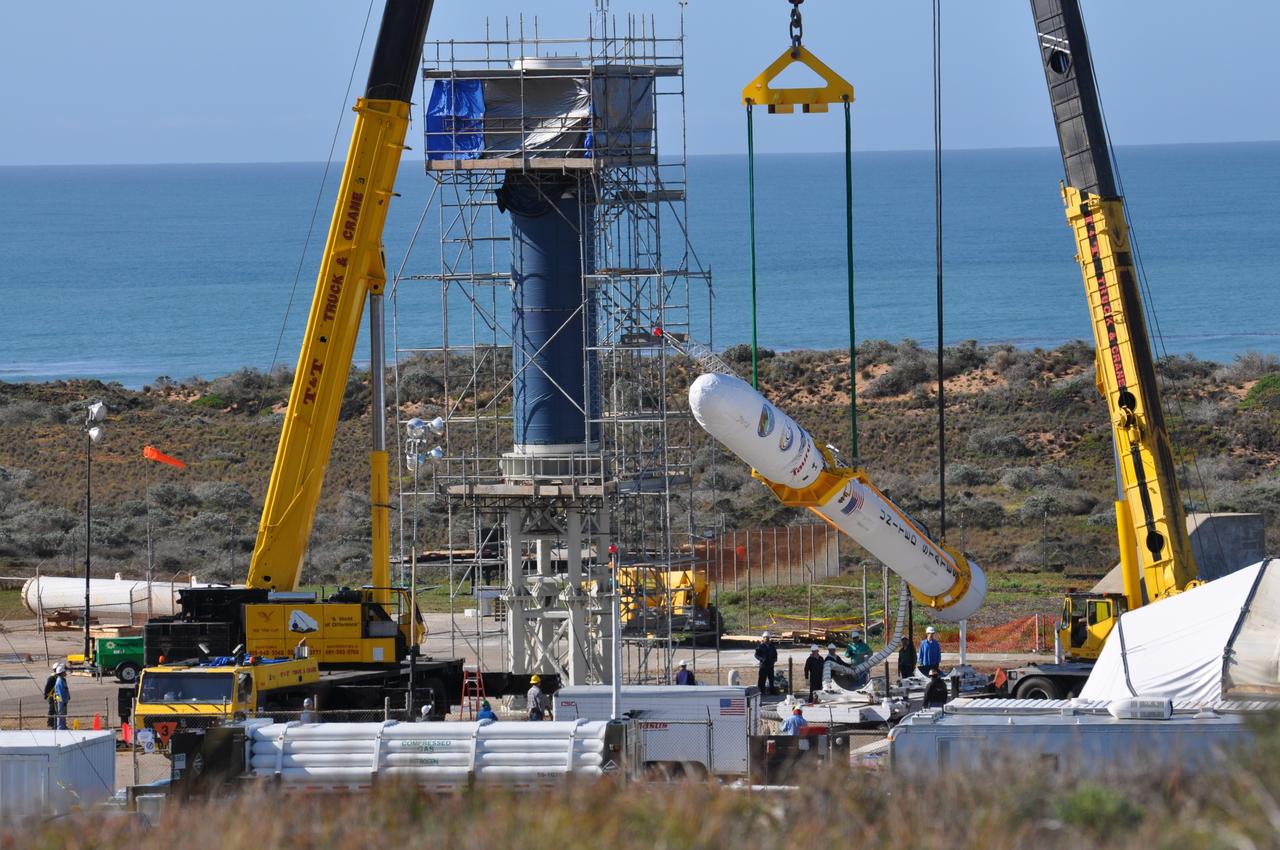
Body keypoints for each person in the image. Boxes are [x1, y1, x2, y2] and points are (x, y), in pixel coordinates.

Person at [52, 663, 70, 730]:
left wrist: (67, 697)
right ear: (61, 672)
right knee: (60, 715)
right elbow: (60, 693)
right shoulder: (59, 681)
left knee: (63, 714)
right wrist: (63, 701)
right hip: (60, 701)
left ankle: (63, 726)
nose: (65, 673)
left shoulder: (62, 680)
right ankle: (60, 728)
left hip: (62, 700)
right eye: (64, 671)